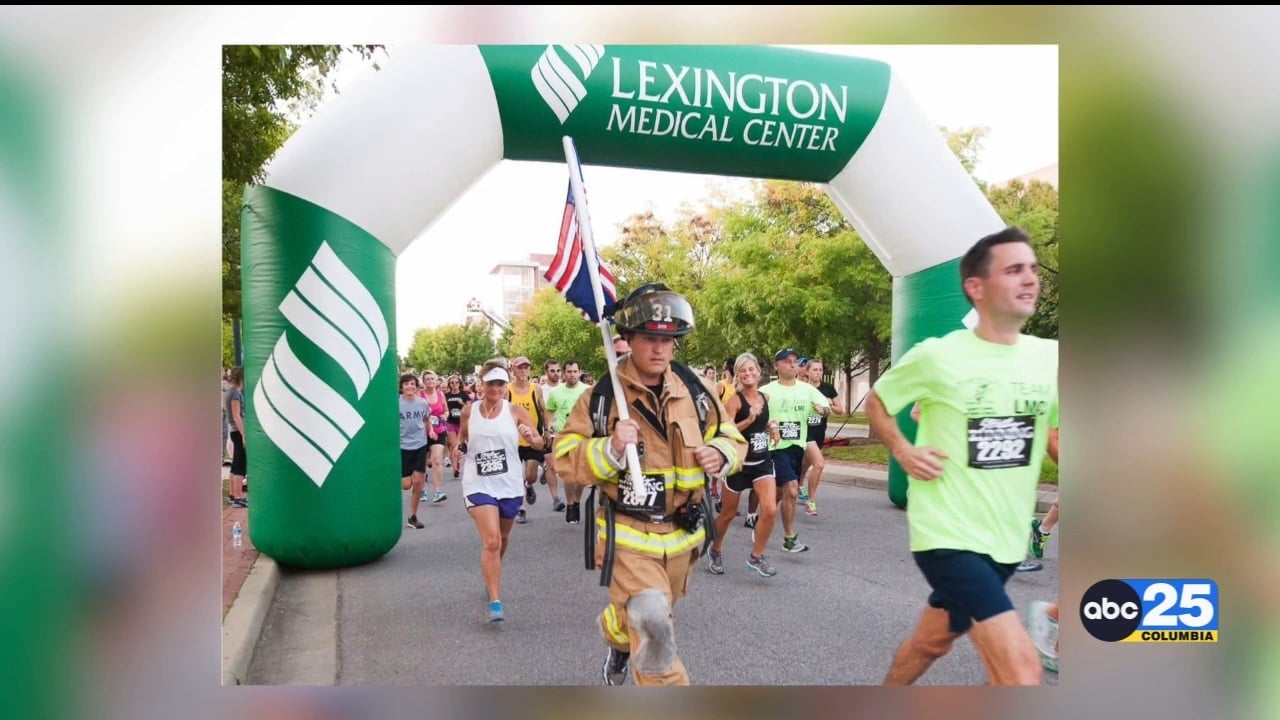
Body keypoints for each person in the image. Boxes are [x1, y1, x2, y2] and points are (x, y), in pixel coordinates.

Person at [867, 226, 1058, 686]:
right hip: (948, 537)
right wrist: (903, 450)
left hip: (1006, 540)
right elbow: (877, 402)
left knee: (929, 643)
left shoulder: (1050, 357)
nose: (1030, 279)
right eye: (1014, 270)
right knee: (1021, 671)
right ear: (977, 287)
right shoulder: (937, 355)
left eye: (1032, 269)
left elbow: (1052, 434)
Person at [554, 282, 747, 686]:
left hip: (683, 540)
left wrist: (722, 453)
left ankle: (617, 628)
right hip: (628, 540)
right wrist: (608, 450)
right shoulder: (602, 397)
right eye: (648, 338)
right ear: (627, 340)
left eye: (667, 339)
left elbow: (732, 436)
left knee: (650, 616)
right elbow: (564, 456)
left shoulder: (697, 391)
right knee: (657, 638)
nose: (659, 348)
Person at [453, 359, 546, 622]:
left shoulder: (516, 411)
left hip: (509, 483)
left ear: (506, 386)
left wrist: (532, 437)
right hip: (478, 482)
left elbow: (539, 444)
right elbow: (462, 437)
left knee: (502, 540)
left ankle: (492, 569)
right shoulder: (470, 411)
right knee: (492, 540)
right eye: (491, 383)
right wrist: (458, 448)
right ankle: (495, 601)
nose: (496, 388)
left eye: (501, 383)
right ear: (482, 384)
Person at [399, 374, 431, 529]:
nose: (409, 387)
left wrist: (430, 431)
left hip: (419, 444)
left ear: (416, 387)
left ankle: (412, 516)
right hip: (402, 446)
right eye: (406, 384)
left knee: (418, 482)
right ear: (401, 387)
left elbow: (426, 419)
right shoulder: (396, 403)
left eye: (412, 384)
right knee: (405, 485)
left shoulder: (422, 403)